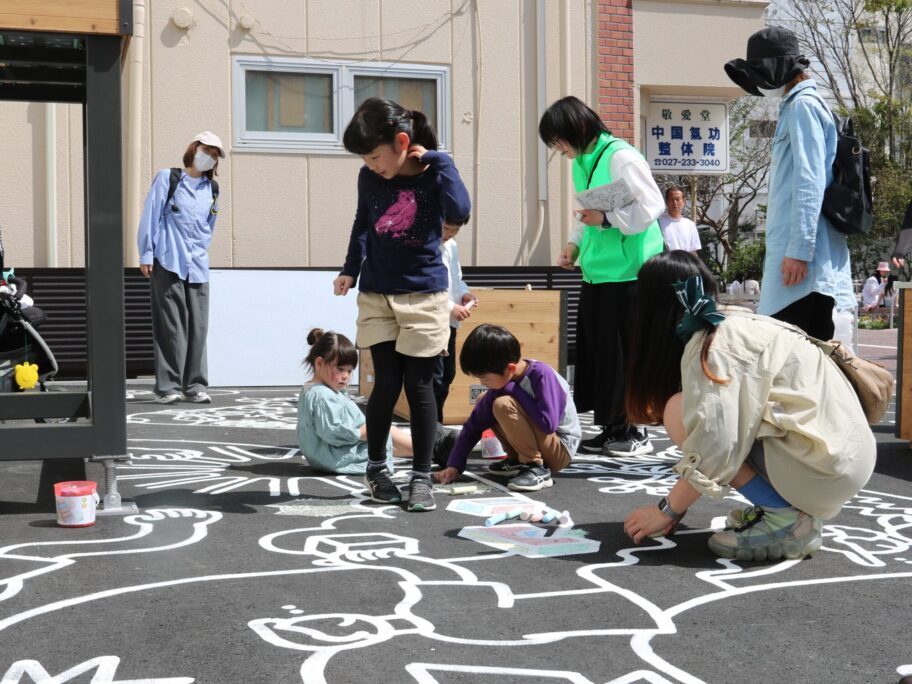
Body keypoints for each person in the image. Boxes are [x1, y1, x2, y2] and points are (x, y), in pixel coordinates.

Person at [622, 251, 875, 561]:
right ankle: (781, 506)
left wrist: (667, 509)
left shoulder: (711, 343)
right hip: (841, 459)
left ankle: (785, 519)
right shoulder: (731, 321)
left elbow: (716, 442)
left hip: (826, 467)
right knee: (712, 416)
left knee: (679, 411)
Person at [333, 97, 471, 512]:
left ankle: (421, 477)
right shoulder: (368, 179)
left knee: (421, 387)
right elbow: (363, 225)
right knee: (386, 386)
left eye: (376, 155)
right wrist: (349, 270)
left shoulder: (433, 175)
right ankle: (377, 470)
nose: (371, 164)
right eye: (365, 158)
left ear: (401, 142)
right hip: (377, 294)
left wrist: (442, 161)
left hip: (426, 295)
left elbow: (461, 209)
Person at [539, 96, 665, 457]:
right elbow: (588, 212)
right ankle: (613, 426)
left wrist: (607, 220)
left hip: (630, 273)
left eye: (558, 140)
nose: (558, 149)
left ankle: (634, 428)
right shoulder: (584, 160)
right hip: (599, 273)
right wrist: (573, 246)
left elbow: (651, 206)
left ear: (576, 130)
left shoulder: (620, 156)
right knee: (600, 352)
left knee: (624, 353)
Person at [725, 27, 855, 341]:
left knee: (794, 360)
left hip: (801, 269)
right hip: (803, 266)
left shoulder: (803, 107)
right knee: (800, 361)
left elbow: (809, 182)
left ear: (775, 68)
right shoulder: (800, 105)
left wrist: (798, 250)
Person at [434, 324, 580, 492]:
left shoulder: (541, 375)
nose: (482, 383)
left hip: (560, 448)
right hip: (544, 441)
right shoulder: (503, 384)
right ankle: (518, 460)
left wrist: (513, 390)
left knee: (502, 404)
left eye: (486, 378)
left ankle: (535, 466)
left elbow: (548, 424)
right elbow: (472, 427)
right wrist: (455, 465)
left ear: (510, 369)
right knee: (486, 400)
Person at [138, 131, 225, 404]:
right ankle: (168, 387)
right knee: (171, 326)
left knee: (198, 327)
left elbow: (209, 227)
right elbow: (151, 215)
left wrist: (200, 251)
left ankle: (196, 385)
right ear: (195, 147)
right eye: (207, 151)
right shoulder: (169, 178)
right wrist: (147, 253)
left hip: (198, 264)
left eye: (214, 156)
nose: (209, 158)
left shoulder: (212, 189)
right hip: (168, 260)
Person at [296, 328, 455, 475]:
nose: (345, 376)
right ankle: (431, 448)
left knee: (384, 432)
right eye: (340, 369)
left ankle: (429, 444)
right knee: (381, 428)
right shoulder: (323, 396)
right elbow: (333, 433)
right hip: (335, 455)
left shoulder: (314, 389)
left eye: (349, 371)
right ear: (319, 363)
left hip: (325, 453)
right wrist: (362, 432)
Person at [432, 217, 477, 423]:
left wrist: (465, 294)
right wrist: (452, 306)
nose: (449, 233)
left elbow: (456, 278)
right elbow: (427, 286)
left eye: (455, 230)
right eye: (446, 228)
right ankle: (432, 427)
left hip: (450, 321)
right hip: (432, 321)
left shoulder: (451, 245)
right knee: (435, 377)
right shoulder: (427, 244)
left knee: (447, 375)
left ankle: (436, 424)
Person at [658, 186, 701, 253]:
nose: (675, 203)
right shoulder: (658, 222)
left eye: (677, 199)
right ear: (666, 202)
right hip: (665, 262)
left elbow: (693, 251)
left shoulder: (690, 225)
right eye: (671, 199)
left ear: (684, 201)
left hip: (684, 262)